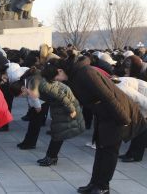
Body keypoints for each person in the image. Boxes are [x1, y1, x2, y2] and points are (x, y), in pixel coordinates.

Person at [42, 57, 147, 194]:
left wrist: (124, 119)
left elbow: (108, 96)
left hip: (116, 113)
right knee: (101, 148)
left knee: (109, 150)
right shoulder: (75, 75)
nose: (58, 81)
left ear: (60, 70)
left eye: (56, 78)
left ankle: (103, 187)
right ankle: (94, 183)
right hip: (104, 114)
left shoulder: (85, 72)